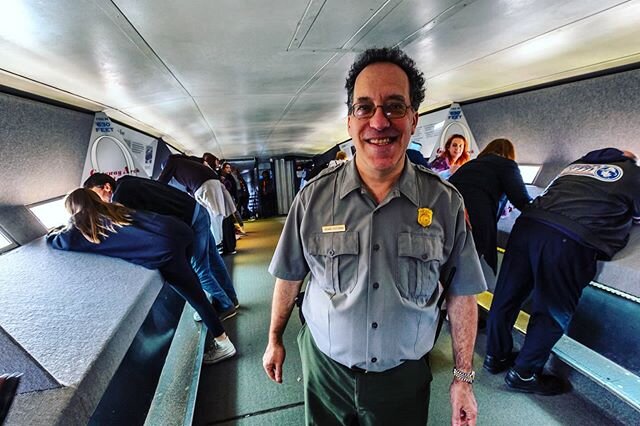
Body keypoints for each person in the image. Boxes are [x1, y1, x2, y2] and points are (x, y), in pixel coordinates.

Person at [262, 46, 486, 426]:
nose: (379, 122)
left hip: (403, 380)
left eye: (394, 106)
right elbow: (290, 276)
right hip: (325, 371)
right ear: (350, 122)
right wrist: (274, 338)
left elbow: (462, 294)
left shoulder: (445, 204)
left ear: (413, 120)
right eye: (364, 107)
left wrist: (462, 378)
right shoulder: (312, 199)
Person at [484, 148, 640, 395]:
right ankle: (524, 374)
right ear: (628, 158)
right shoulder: (633, 173)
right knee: (551, 310)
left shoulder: (574, 166)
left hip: (527, 226)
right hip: (569, 239)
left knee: (506, 297)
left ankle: (495, 356)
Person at [47, 188, 237, 364]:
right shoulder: (115, 208)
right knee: (194, 287)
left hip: (165, 250)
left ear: (72, 209)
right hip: (180, 232)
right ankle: (207, 312)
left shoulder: (81, 229)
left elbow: (54, 240)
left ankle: (224, 343)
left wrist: (67, 224)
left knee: (194, 296)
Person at [83, 173, 239, 319]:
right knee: (213, 260)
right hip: (197, 210)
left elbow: (134, 226)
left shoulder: (121, 197)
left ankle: (225, 306)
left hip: (190, 219)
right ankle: (231, 298)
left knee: (199, 269)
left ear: (106, 187)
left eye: (94, 194)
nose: (96, 200)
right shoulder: (126, 181)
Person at [449, 138, 532, 276]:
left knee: (447, 268)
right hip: (475, 223)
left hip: (449, 217)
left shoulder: (470, 164)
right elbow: (522, 200)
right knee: (463, 272)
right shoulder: (507, 165)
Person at [157, 154, 236, 245]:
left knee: (209, 216)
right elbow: (189, 186)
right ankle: (218, 242)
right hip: (214, 182)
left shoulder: (171, 162)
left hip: (204, 186)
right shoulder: (187, 162)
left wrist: (153, 187)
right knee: (217, 214)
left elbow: (161, 182)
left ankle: (216, 244)